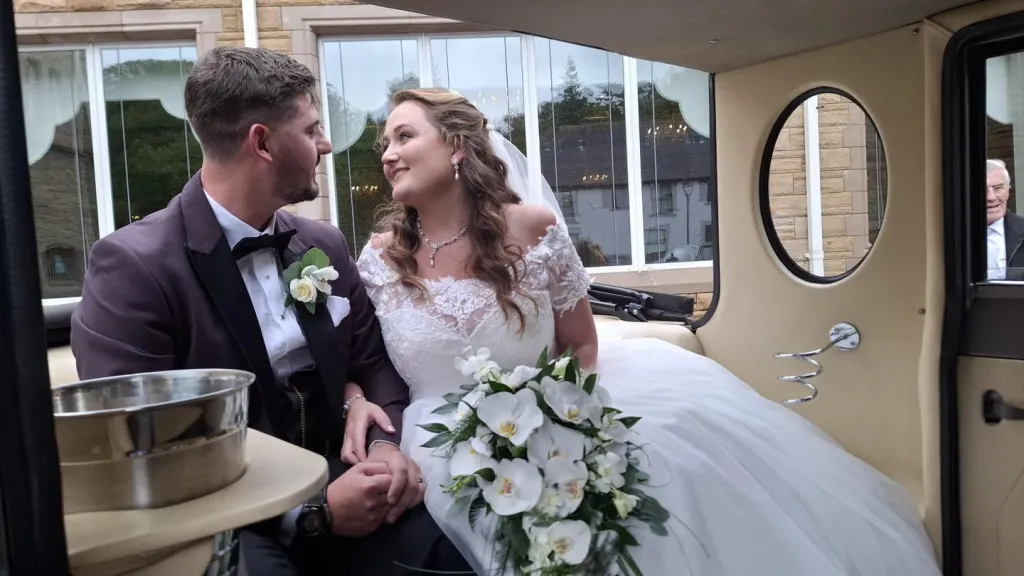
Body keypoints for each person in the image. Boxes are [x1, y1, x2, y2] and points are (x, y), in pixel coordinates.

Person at [339, 87, 943, 575]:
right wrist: (356, 397)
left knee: (671, 479)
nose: (386, 153)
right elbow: (360, 359)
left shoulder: (533, 228)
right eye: (384, 141)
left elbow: (580, 343)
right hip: (434, 439)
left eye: (403, 135)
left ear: (457, 149)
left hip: (547, 413)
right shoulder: (379, 257)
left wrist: (563, 422)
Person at [69, 48, 471, 576]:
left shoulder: (322, 245)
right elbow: (137, 451)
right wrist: (311, 515)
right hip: (223, 514)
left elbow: (374, 364)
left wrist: (382, 446)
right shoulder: (133, 265)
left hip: (342, 477)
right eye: (311, 131)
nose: (327, 145)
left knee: (444, 556)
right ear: (261, 142)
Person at [985, 158, 1024, 280]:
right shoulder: (949, 236)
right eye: (982, 189)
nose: (991, 197)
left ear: (1008, 190)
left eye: (998, 188)